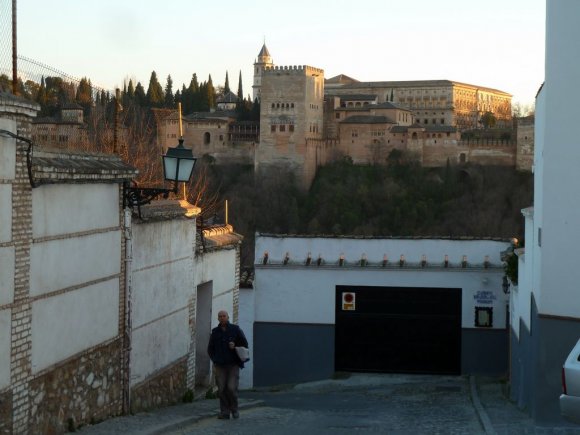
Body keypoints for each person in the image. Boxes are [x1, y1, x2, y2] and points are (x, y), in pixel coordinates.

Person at [207, 310, 248, 419]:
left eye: (224, 316)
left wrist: (235, 345)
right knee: (221, 389)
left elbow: (244, 344)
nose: (222, 318)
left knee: (231, 388)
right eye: (220, 316)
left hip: (233, 364)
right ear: (218, 318)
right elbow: (210, 348)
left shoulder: (235, 329)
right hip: (220, 365)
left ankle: (234, 409)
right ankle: (225, 412)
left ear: (228, 317)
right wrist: (215, 359)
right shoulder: (215, 332)